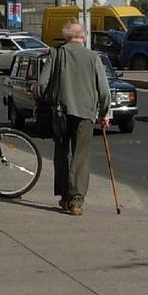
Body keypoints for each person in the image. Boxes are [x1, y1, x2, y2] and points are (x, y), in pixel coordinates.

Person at [39, 20, 111, 216]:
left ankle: (63, 196)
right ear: (84, 37)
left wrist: (41, 98)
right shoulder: (92, 57)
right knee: (80, 156)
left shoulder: (55, 54)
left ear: (65, 37)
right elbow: (104, 91)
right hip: (85, 113)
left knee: (61, 153)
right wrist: (104, 113)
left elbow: (42, 84)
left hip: (60, 112)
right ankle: (76, 201)